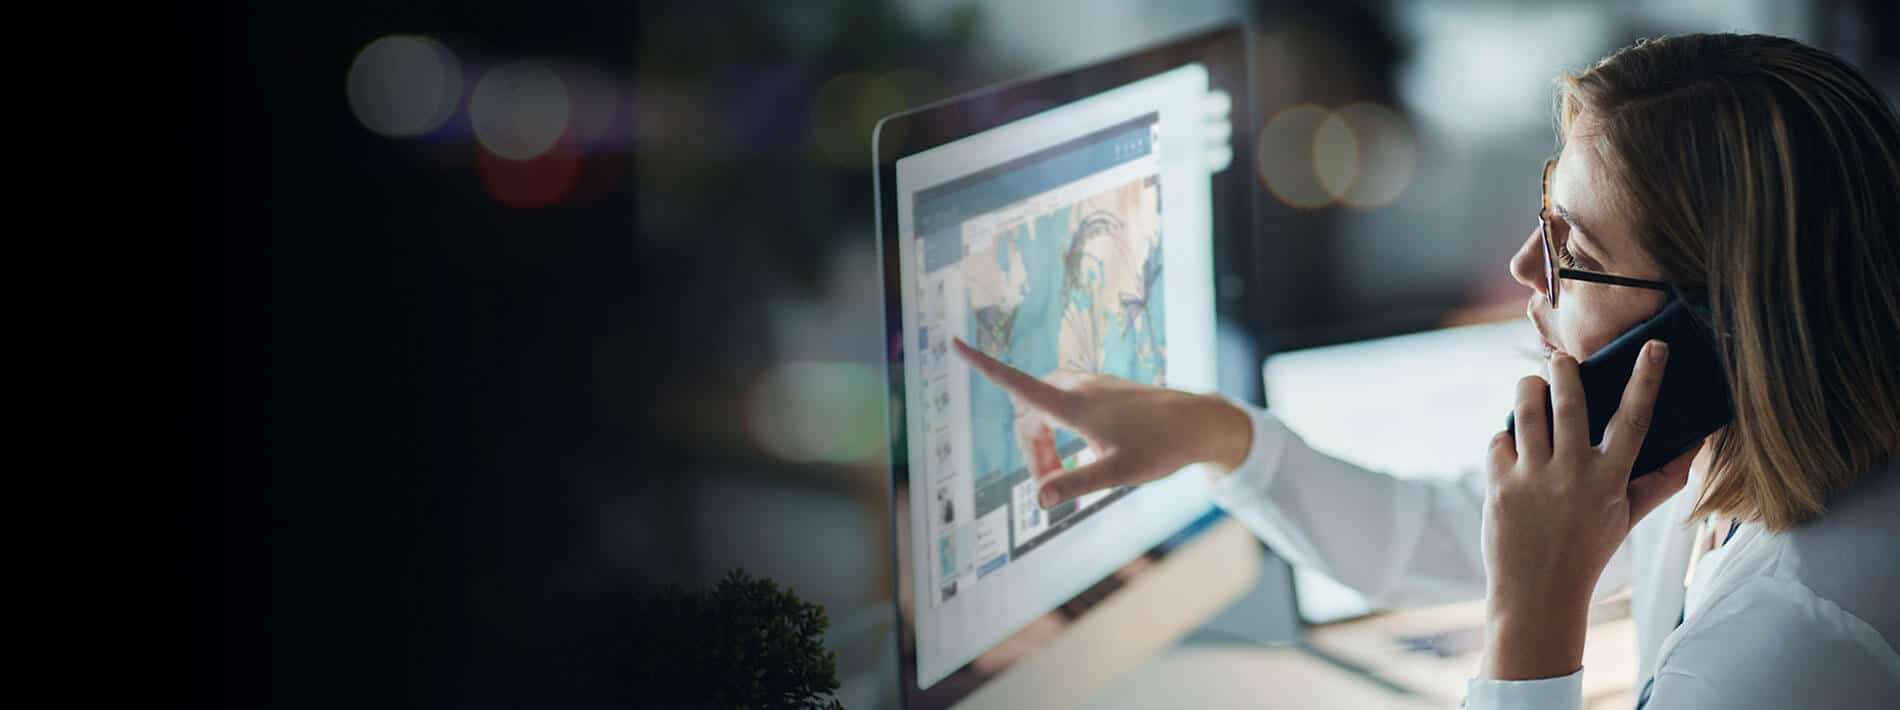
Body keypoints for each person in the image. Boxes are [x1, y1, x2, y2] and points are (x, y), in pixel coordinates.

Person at [954, 33, 1899, 709]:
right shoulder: (1716, 459)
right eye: (1544, 209)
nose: (1526, 267)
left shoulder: (1791, 651)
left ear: (1718, 322)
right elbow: (1444, 534)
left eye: (1571, 244)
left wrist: (1534, 624)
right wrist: (1215, 434)